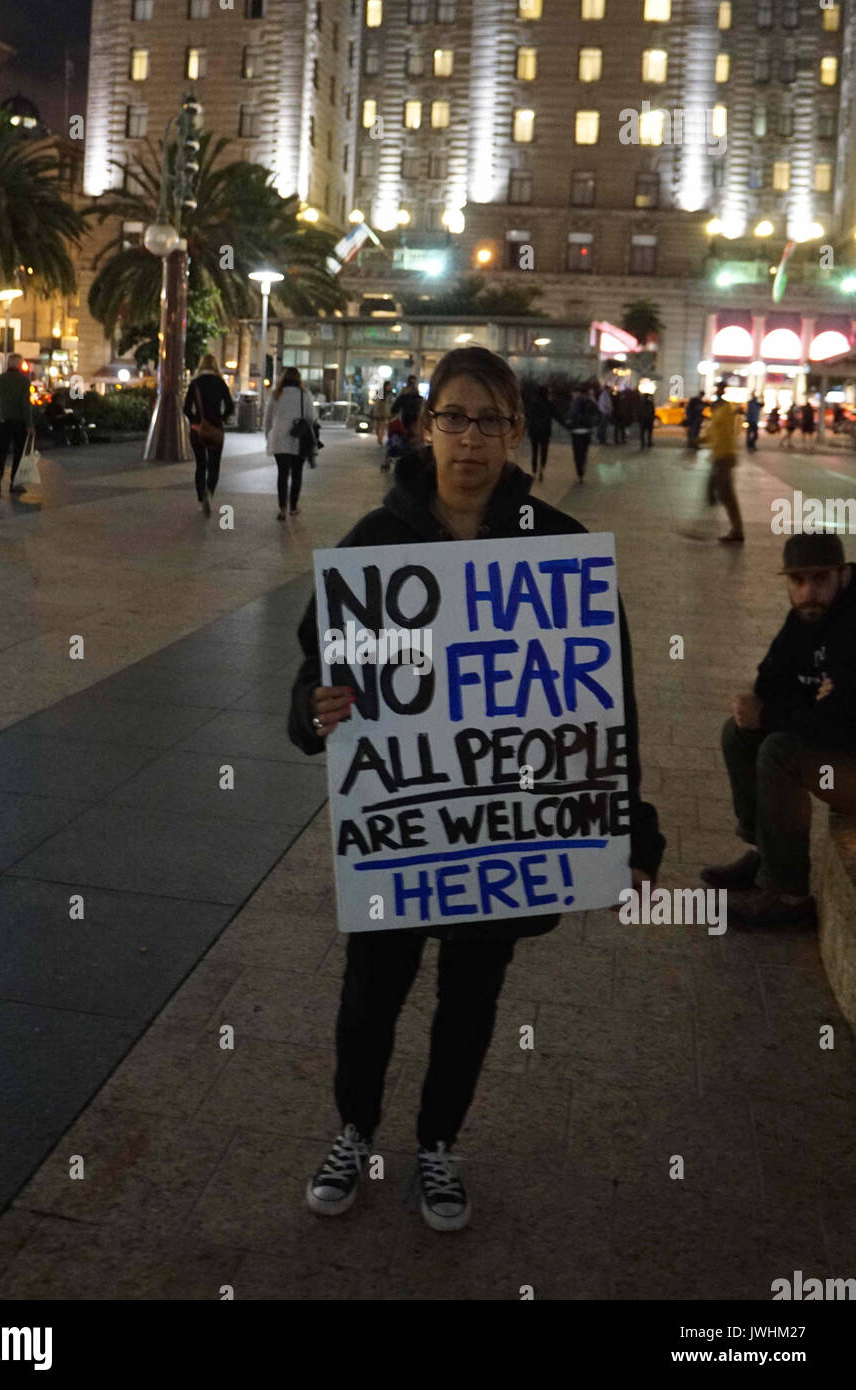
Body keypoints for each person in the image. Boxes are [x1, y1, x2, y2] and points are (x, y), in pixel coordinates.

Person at [287, 345, 665, 1232]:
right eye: (454, 418)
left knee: (472, 994)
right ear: (426, 427)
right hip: (404, 834)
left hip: (505, 839)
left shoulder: (559, 551)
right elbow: (315, 672)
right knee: (371, 992)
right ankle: (354, 1129)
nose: (471, 440)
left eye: (491, 421)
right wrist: (316, 710)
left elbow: (603, 702)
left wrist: (630, 829)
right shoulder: (372, 548)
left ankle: (437, 1146)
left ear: (514, 434)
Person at [700, 534, 856, 929]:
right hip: (840, 747)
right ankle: (765, 856)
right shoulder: (806, 615)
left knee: (780, 751)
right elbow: (768, 683)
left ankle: (788, 896)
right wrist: (808, 703)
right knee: (739, 734)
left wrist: (782, 712)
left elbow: (838, 723)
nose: (808, 592)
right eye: (797, 581)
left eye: (820, 578)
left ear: (844, 574)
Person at [183, 353, 235, 516]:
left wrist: (195, 420)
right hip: (215, 429)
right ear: (215, 366)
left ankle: (200, 500)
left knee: (200, 465)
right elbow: (230, 407)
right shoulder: (220, 383)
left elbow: (186, 408)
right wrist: (220, 419)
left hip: (198, 429)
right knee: (214, 465)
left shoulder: (195, 383)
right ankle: (209, 493)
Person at [264, 365, 317, 519]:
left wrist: (268, 437)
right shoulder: (304, 394)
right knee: (296, 474)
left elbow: (268, 419)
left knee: (282, 474)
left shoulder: (276, 394)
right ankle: (293, 506)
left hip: (279, 439)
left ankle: (282, 508)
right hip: (298, 439)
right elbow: (311, 417)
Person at [699, 392, 744, 542]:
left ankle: (737, 531)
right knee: (725, 495)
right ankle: (736, 529)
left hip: (724, 458)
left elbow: (720, 435)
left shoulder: (723, 415)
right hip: (721, 458)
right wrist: (698, 440)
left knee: (728, 495)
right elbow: (714, 435)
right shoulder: (721, 416)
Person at [0, 353, 34, 495]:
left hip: (3, 419)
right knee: (18, 452)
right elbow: (25, 404)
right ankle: (14, 483)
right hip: (18, 420)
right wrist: (29, 424)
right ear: (18, 364)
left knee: (2, 450)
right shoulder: (23, 380)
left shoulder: (1, 379)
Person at [522, 381, 560, 481]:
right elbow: (557, 416)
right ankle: (541, 469)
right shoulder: (548, 404)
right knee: (544, 452)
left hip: (533, 431)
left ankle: (533, 472)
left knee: (534, 452)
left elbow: (526, 416)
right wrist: (568, 425)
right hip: (545, 432)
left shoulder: (532, 403)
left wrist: (523, 428)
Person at [565, 384, 599, 483]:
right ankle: (582, 470)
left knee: (577, 453)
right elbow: (596, 412)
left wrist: (568, 424)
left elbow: (571, 415)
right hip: (587, 430)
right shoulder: (589, 401)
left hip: (576, 431)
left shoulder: (575, 402)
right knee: (584, 452)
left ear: (576, 393)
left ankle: (579, 472)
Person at [373, 382, 393, 446]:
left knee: (382, 426)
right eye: (388, 386)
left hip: (385, 412)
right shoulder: (380, 392)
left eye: (389, 386)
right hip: (378, 411)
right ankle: (379, 437)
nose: (389, 387)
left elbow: (391, 403)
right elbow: (374, 400)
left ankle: (380, 439)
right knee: (377, 427)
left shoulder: (390, 394)